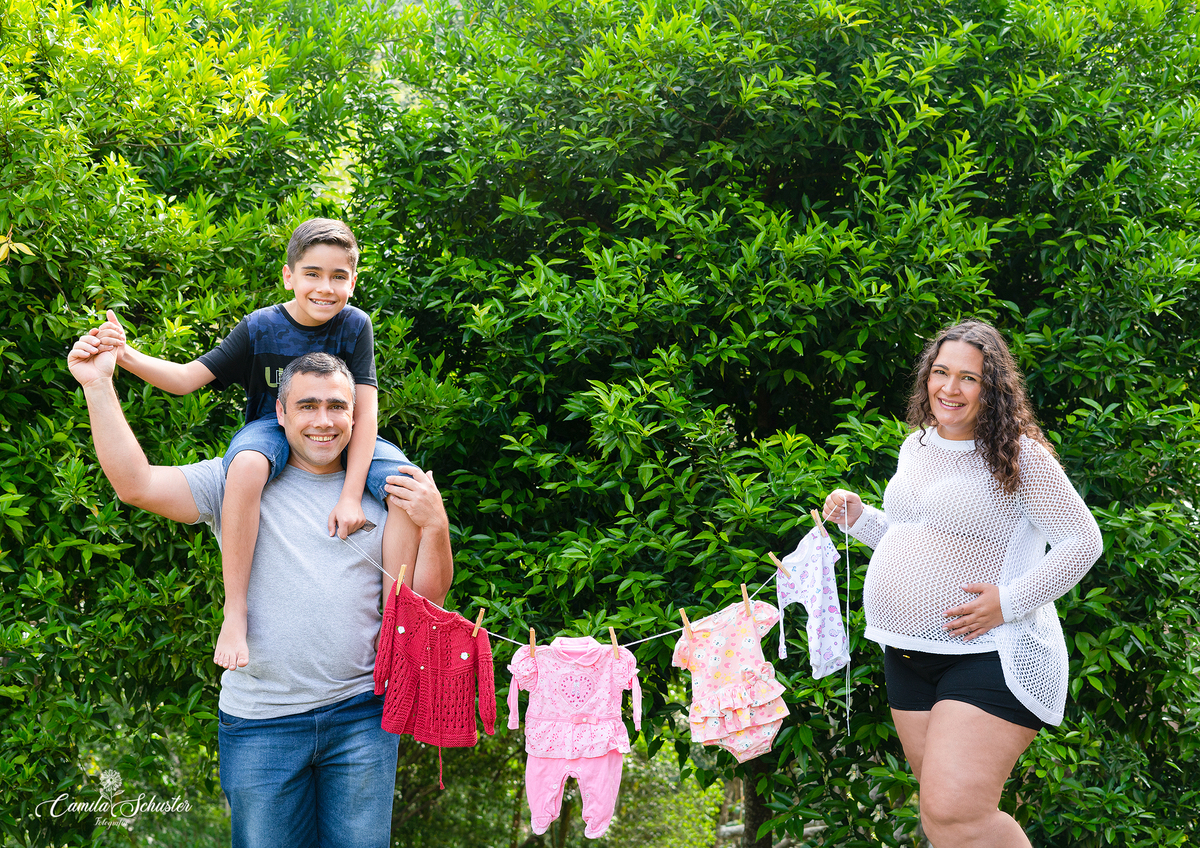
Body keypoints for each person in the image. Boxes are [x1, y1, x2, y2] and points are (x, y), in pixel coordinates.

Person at [66, 341, 454, 847]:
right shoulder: (236, 479)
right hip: (261, 722)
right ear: (280, 413)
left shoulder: (386, 492)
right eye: (307, 406)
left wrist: (437, 525)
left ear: (356, 416)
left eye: (336, 406)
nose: (323, 421)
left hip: (360, 716)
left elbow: (423, 606)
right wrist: (98, 385)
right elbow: (136, 485)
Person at [822, 320, 1102, 848]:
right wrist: (859, 519)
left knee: (958, 812)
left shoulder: (1018, 456)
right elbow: (913, 534)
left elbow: (1083, 541)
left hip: (989, 654)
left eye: (968, 378)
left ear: (992, 388)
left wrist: (1009, 602)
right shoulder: (917, 446)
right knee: (941, 822)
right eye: (941, 372)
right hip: (908, 655)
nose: (950, 388)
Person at [90, 218, 409, 672]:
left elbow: (366, 414)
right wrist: (125, 355)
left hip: (344, 427)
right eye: (313, 274)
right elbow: (185, 379)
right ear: (289, 276)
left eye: (339, 276)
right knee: (245, 468)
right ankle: (236, 610)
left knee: (408, 485)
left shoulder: (356, 324)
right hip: (270, 427)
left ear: (353, 282)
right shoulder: (261, 326)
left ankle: (400, 623)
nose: (326, 287)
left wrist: (350, 495)